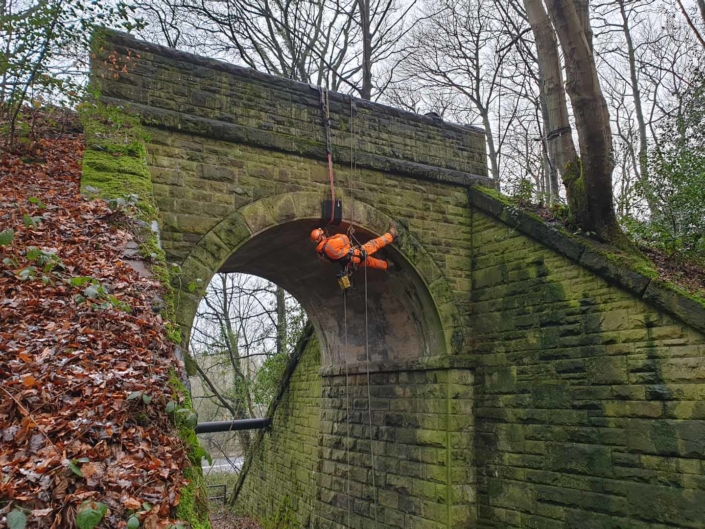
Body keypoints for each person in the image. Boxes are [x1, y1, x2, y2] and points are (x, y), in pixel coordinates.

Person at [311, 225, 398, 272]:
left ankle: (388, 265)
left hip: (351, 261)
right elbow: (345, 239)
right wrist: (334, 237)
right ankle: (392, 235)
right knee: (374, 244)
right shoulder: (329, 244)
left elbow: (338, 253)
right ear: (321, 237)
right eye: (323, 234)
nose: (325, 235)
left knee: (371, 262)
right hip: (355, 254)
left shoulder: (321, 253)